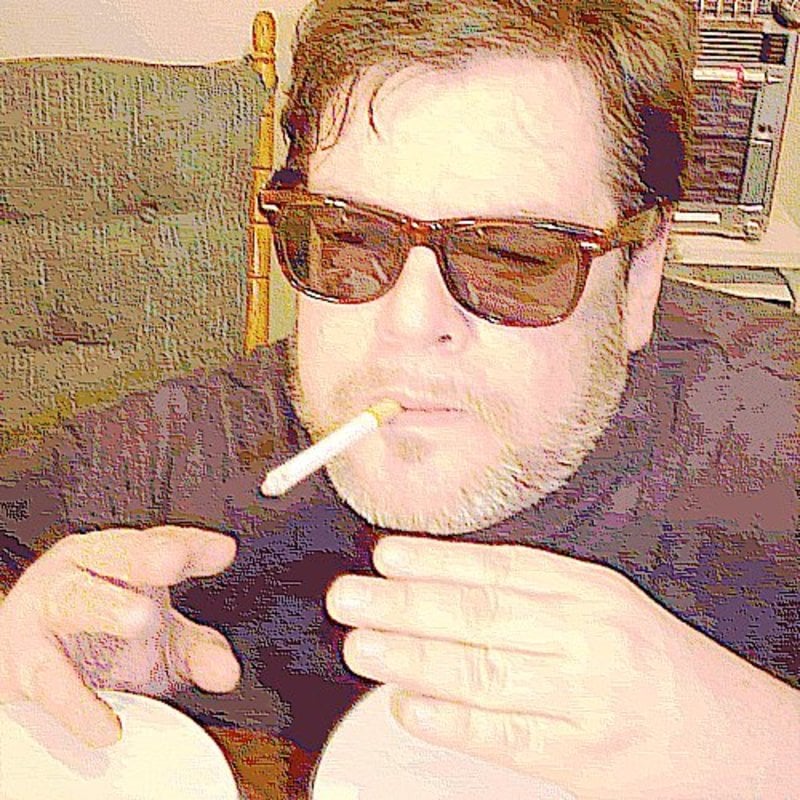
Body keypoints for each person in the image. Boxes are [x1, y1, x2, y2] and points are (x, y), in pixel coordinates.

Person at [1, 1, 798, 797]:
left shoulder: (772, 441)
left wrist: (768, 746)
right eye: (351, 236)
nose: (409, 324)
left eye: (513, 256)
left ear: (641, 276)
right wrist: (31, 655)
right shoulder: (177, 462)